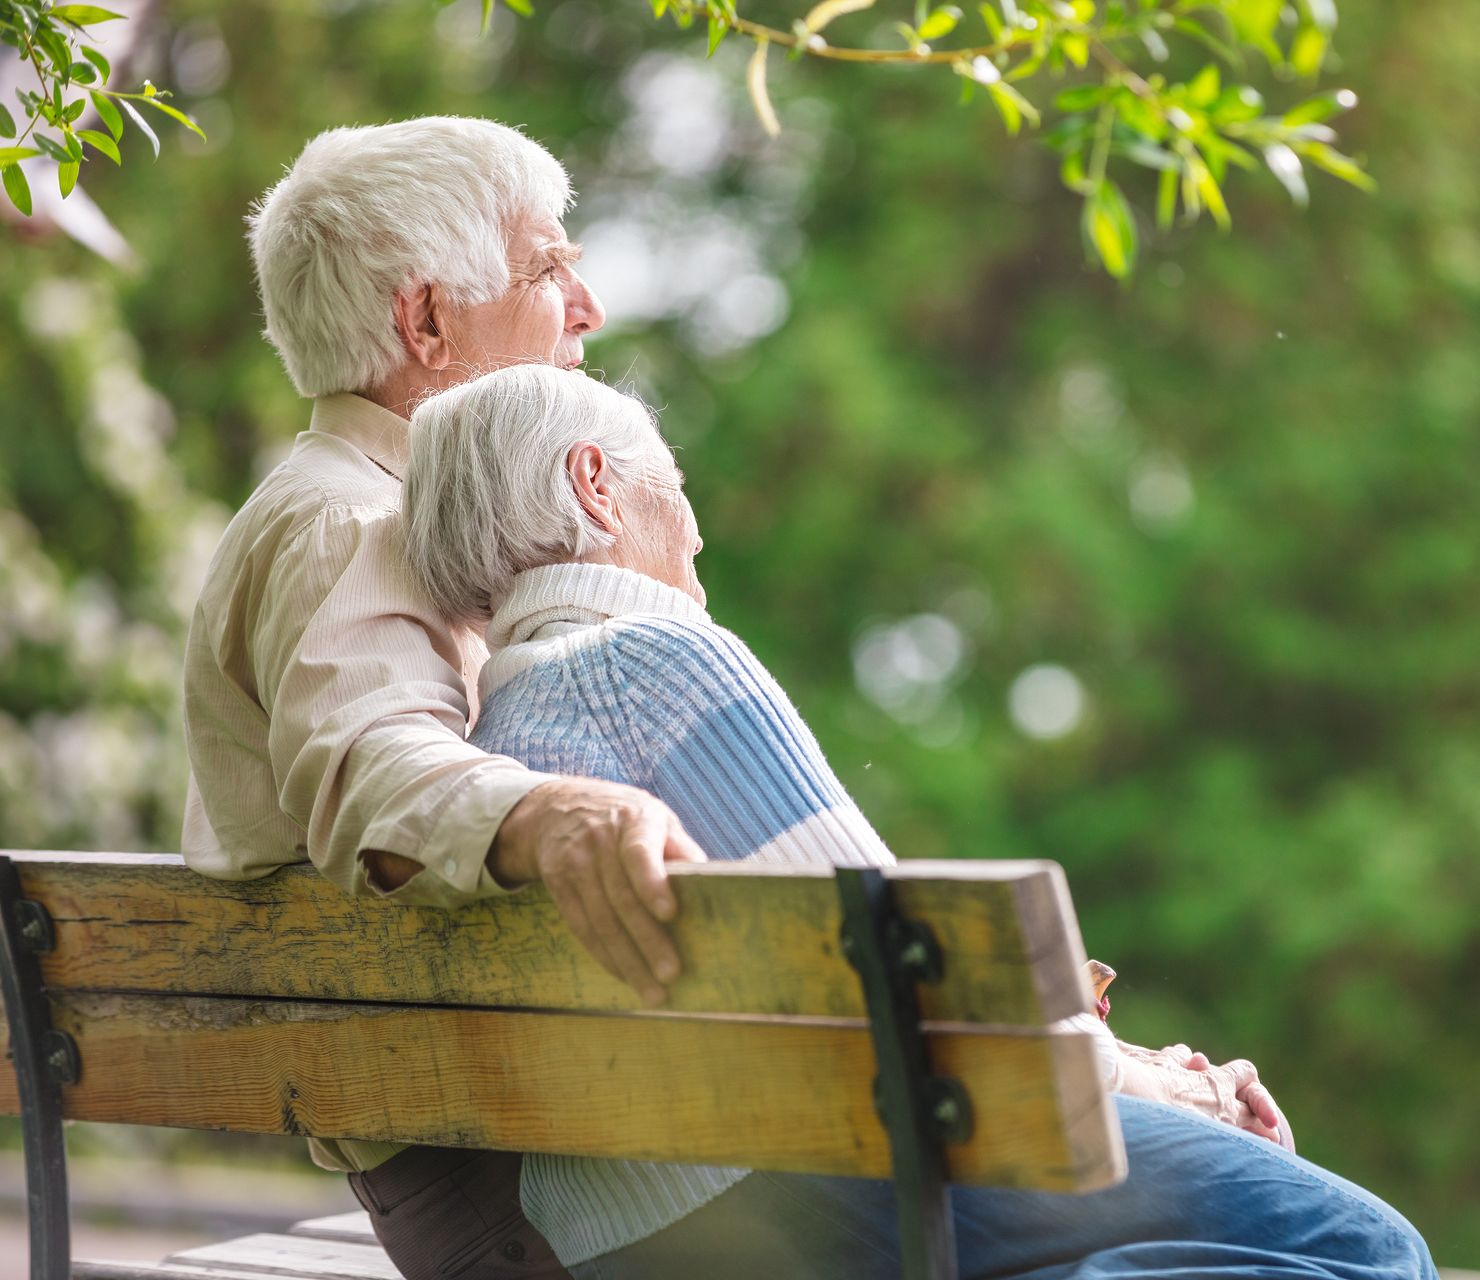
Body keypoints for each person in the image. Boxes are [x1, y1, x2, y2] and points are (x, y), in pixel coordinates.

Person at [395, 362, 1438, 1280]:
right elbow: (918, 990)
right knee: (1369, 1246)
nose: (698, 523)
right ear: (595, 485)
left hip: (615, 1233)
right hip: (803, 1183)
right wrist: (1175, 1087)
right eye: (672, 480)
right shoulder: (652, 661)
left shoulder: (494, 735)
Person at [181, 117, 701, 1279]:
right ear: (426, 322)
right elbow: (372, 764)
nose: (588, 306)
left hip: (534, 1134)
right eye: (547, 266)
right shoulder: (350, 520)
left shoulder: (396, 516)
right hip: (510, 1186)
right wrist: (554, 814)